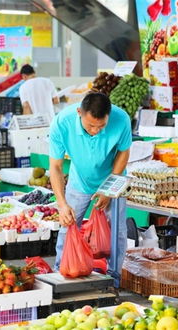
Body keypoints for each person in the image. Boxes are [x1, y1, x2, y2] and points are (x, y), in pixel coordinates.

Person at [49, 92, 132, 285]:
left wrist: (108, 190)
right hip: (80, 182)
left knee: (118, 232)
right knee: (68, 225)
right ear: (79, 112)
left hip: (113, 179)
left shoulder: (121, 119)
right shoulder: (61, 123)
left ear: (109, 117)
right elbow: (55, 167)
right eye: (90, 126)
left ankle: (114, 279)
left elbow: (124, 153)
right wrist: (61, 204)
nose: (95, 130)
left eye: (101, 126)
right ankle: (61, 274)